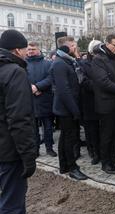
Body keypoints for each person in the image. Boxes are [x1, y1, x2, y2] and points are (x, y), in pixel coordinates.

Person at [0, 29, 41, 214]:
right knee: (10, 202)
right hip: (10, 150)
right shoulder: (15, 72)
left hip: (3, 146)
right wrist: (28, 155)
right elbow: (20, 119)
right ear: (17, 50)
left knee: (15, 196)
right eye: (26, 49)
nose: (28, 53)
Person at [91, 33, 115, 174]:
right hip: (106, 104)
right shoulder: (98, 59)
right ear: (107, 44)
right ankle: (105, 162)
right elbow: (103, 82)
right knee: (106, 136)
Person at [51, 36, 87, 180]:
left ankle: (64, 166)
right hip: (66, 109)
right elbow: (63, 90)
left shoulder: (66, 61)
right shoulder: (60, 63)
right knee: (69, 139)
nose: (75, 48)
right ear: (65, 47)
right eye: (73, 46)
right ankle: (72, 167)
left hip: (68, 107)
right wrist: (75, 110)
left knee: (65, 138)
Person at [26, 41, 57, 157]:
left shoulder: (47, 64)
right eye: (29, 49)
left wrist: (38, 87)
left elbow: (50, 78)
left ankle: (49, 148)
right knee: (33, 128)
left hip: (45, 99)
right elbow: (21, 78)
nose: (30, 51)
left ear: (38, 50)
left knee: (48, 127)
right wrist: (32, 88)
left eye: (32, 49)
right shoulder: (23, 64)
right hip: (30, 100)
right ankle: (36, 149)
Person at [79, 39, 102, 165]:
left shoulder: (102, 62)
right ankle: (93, 151)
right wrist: (101, 87)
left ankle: (101, 151)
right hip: (89, 102)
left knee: (100, 129)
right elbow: (83, 81)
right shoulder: (83, 64)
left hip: (101, 101)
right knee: (90, 130)